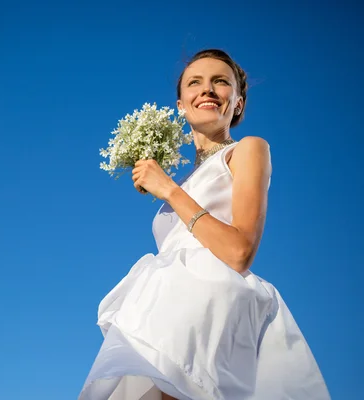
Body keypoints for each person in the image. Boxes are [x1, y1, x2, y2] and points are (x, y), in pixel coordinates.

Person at [79, 49, 329, 400]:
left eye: (221, 82)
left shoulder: (246, 150)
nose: (207, 89)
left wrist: (166, 188)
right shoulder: (183, 181)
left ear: (237, 104)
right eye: (195, 83)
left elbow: (239, 252)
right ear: (181, 104)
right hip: (163, 308)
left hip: (210, 302)